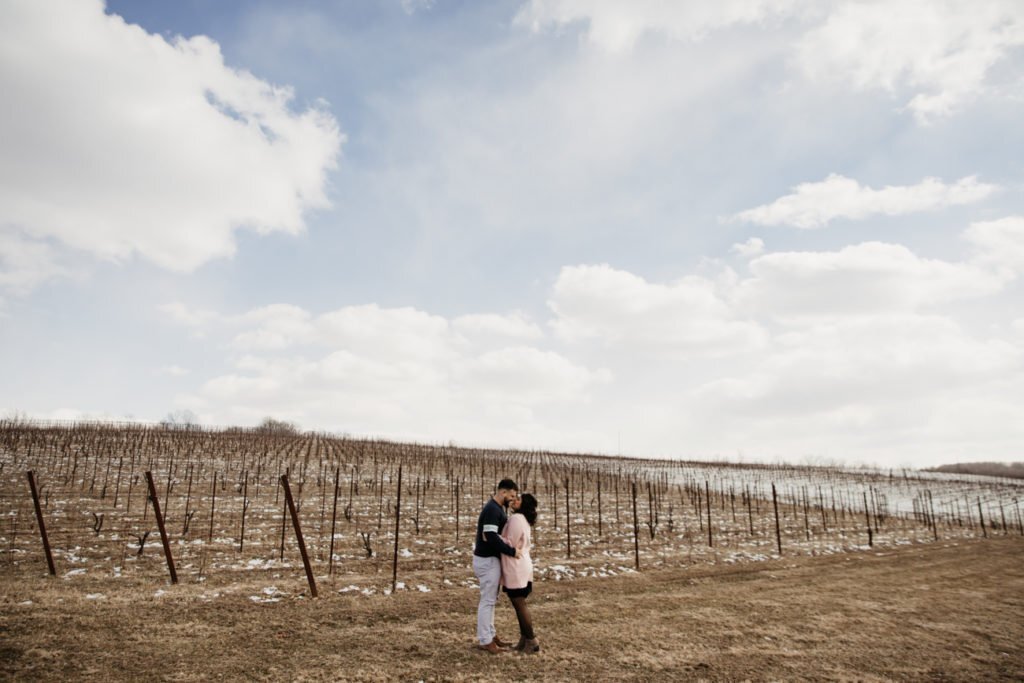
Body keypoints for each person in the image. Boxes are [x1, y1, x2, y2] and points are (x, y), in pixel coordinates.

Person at [473, 479, 520, 654]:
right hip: (487, 561)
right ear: (503, 492)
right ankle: (485, 640)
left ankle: (490, 635)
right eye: (512, 495)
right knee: (487, 600)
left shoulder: (496, 508)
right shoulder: (493, 510)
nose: (513, 499)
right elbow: (490, 536)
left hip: (489, 560)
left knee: (491, 600)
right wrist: (511, 551)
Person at [501, 492, 539, 653]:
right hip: (521, 565)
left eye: (518, 499)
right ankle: (524, 640)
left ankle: (531, 640)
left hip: (516, 567)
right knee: (518, 603)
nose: (514, 500)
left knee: (519, 603)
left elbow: (511, 543)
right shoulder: (523, 520)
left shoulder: (516, 519)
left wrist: (493, 538)